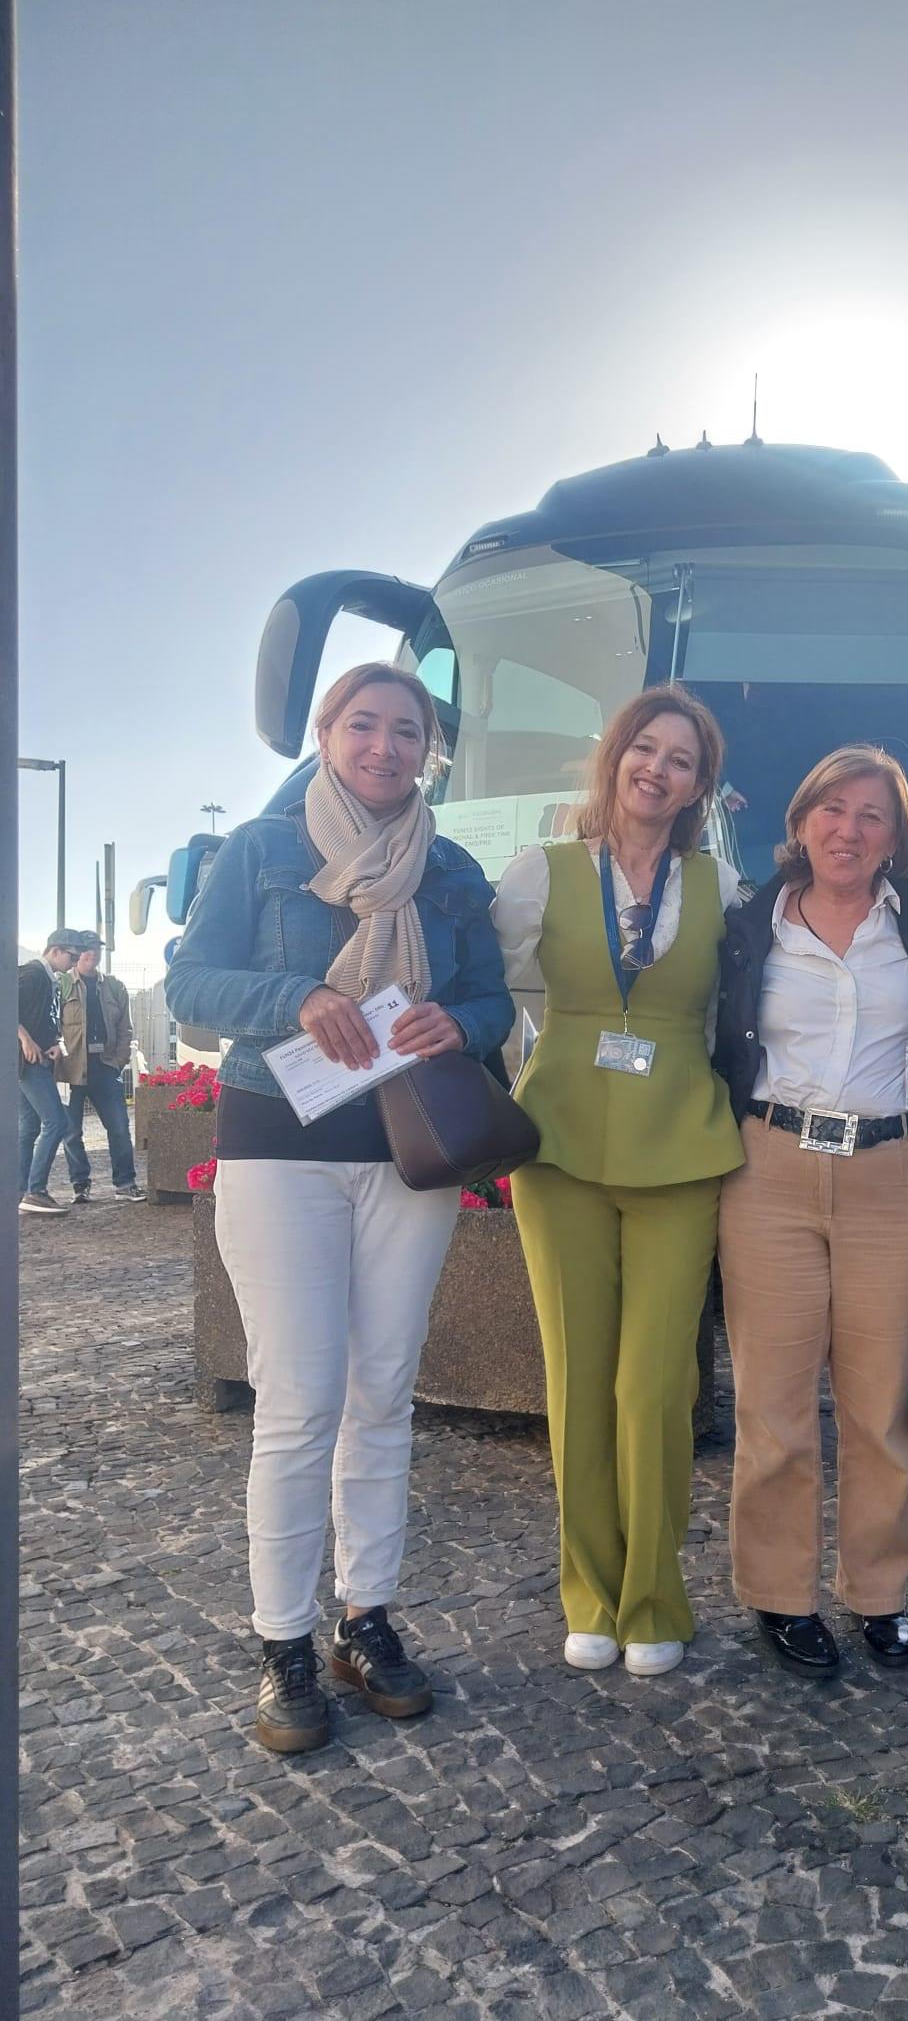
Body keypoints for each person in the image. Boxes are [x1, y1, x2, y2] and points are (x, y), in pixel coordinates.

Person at [165, 662, 513, 1754]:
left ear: (429, 750)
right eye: (363, 725)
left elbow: (494, 996)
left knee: (382, 1394)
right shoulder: (262, 851)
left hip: (408, 1153)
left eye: (406, 731)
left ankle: (367, 1619)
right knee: (298, 1399)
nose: (384, 746)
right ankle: (282, 1644)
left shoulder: (451, 869)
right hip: (280, 1145)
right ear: (325, 735)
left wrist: (458, 1024)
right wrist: (298, 999)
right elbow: (189, 984)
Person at [494, 684, 742, 1679]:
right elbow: (501, 990)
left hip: (681, 1144)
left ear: (698, 785)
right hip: (557, 1148)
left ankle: (655, 1595)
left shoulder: (723, 889)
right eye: (647, 747)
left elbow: (741, 1011)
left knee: (654, 1385)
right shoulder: (542, 873)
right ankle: (590, 1593)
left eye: (682, 758)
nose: (659, 768)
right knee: (577, 1379)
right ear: (617, 756)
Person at [713, 746, 908, 1677]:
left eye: (872, 816)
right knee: (772, 1403)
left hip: (893, 1172)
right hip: (769, 1168)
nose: (848, 830)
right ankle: (779, 1593)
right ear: (802, 819)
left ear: (896, 840)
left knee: (877, 1404)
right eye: (833, 809)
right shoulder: (748, 928)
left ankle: (879, 1593)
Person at [57, 932, 145, 1202]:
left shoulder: (115, 987)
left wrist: (117, 1062)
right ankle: (80, 1185)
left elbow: (124, 1028)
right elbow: (53, 1023)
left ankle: (125, 1183)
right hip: (71, 1069)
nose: (91, 953)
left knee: (119, 1126)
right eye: (86, 949)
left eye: (96, 948)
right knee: (71, 1131)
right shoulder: (62, 984)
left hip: (105, 1067)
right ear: (76, 953)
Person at [17, 929, 81, 1216]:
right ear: (55, 950)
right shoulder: (33, 974)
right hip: (28, 1061)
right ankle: (35, 1191)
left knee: (29, 1127)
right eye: (72, 955)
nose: (75, 961)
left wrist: (52, 1042)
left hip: (30, 1059)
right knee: (56, 1122)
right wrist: (26, 1039)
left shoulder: (48, 978)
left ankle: (20, 1191)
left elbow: (43, 1016)